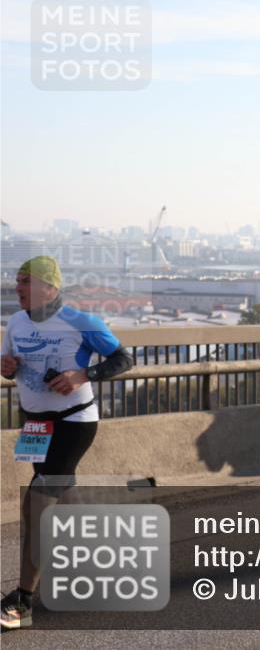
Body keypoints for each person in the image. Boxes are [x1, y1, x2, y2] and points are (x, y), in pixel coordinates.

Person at [1, 256, 134, 630]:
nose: (17, 287)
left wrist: (84, 374)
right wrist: (6, 366)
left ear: (49, 287)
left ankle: (23, 601)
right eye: (17, 280)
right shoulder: (16, 322)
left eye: (25, 281)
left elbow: (124, 358)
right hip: (35, 424)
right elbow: (9, 364)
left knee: (36, 505)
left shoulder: (81, 321)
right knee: (61, 497)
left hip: (73, 422)